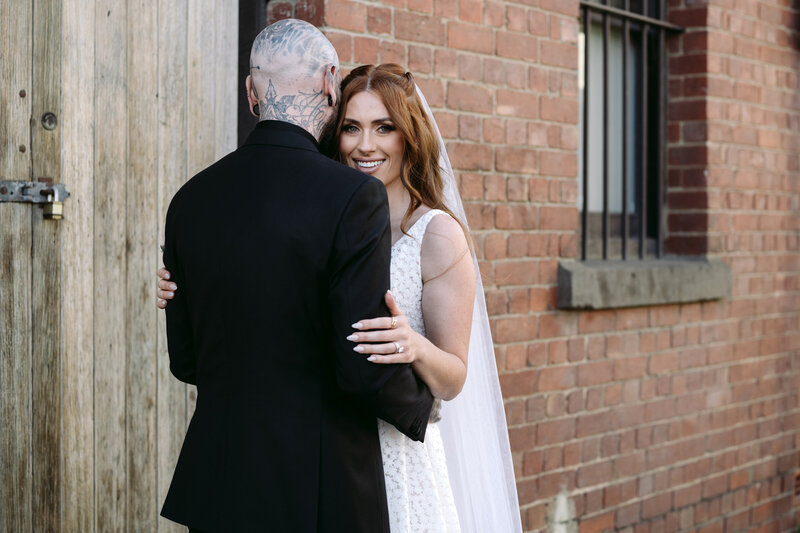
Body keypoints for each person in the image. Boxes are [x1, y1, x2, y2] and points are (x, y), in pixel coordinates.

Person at [159, 62, 523, 533]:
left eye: (384, 128)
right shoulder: (318, 213)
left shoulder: (437, 235)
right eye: (351, 127)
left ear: (409, 137)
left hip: (393, 452)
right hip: (315, 459)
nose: (365, 145)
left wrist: (414, 346)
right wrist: (187, 284)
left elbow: (454, 378)